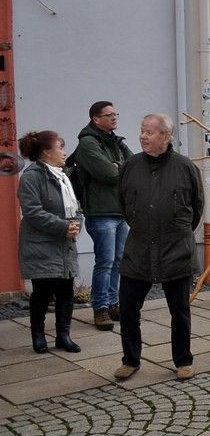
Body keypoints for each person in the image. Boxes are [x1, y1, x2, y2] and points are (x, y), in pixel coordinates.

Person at [113, 114, 203, 382]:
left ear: (166, 136)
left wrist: (175, 229)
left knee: (180, 310)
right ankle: (130, 360)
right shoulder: (131, 166)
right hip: (138, 249)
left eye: (150, 132)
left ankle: (183, 361)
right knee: (128, 308)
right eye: (142, 131)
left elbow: (196, 208)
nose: (143, 136)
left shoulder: (185, 167)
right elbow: (123, 203)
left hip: (176, 250)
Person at [17, 131, 82, 354]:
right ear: (46, 152)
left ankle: (64, 336)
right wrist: (64, 226)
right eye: (60, 147)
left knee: (66, 292)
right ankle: (38, 335)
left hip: (64, 245)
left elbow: (75, 207)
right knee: (42, 294)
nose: (64, 152)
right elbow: (32, 212)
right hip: (41, 245)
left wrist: (76, 224)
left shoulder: (62, 177)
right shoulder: (31, 177)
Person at [75, 101, 132, 331]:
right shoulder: (88, 143)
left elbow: (134, 166)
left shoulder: (116, 141)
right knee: (105, 262)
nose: (114, 117)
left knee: (118, 261)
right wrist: (118, 167)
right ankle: (100, 308)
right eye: (109, 115)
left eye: (115, 113)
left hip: (120, 210)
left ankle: (113, 304)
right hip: (100, 212)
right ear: (96, 119)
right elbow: (108, 174)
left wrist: (118, 166)